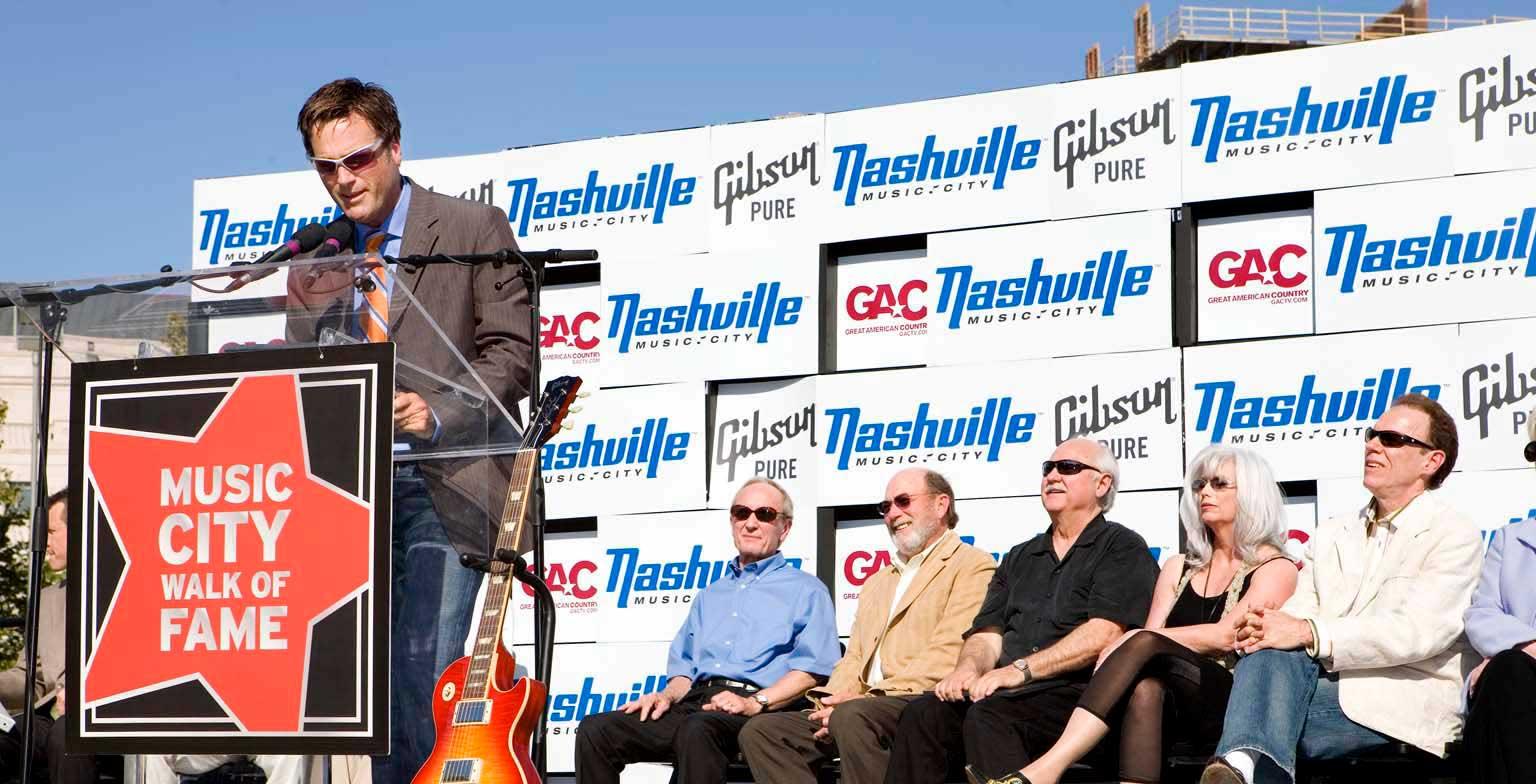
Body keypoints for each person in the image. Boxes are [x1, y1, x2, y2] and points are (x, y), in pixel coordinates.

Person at [286, 77, 532, 784]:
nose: (342, 179)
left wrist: (436, 410)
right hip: (350, 496)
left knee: (425, 670)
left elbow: (513, 354)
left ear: (395, 147)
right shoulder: (314, 259)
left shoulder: (468, 228)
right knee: (370, 692)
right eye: (326, 167)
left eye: (357, 159)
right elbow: (306, 378)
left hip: (445, 481)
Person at [967, 445, 1297, 784]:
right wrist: (1140, 640)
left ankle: (1049, 767)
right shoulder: (1178, 566)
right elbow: (1149, 642)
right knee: (1146, 685)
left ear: (1253, 493)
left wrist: (1136, 638)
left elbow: (1228, 635)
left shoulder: (1275, 566)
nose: (1205, 493)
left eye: (1219, 484)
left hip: (1229, 697)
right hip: (1169, 696)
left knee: (1141, 644)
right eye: (1199, 485)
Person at [1200, 393, 1482, 784]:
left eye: (1393, 440)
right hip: (1318, 681)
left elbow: (1418, 632)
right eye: (1372, 434)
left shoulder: (1453, 533)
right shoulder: (1332, 531)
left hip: (1404, 697)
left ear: (1431, 461)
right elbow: (1297, 614)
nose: (1372, 445)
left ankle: (1244, 762)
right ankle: (1250, 767)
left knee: (1247, 710)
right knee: (1270, 648)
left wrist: (1309, 632)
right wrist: (1273, 628)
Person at [884, 438, 1159, 784]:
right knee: (925, 714)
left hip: (1079, 697)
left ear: (1102, 484)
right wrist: (969, 669)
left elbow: (1105, 633)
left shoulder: (1121, 547)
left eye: (1069, 468)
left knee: (990, 715)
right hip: (1007, 691)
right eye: (1049, 468)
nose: (1053, 476)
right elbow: (987, 633)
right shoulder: (1019, 556)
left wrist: (1021, 670)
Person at [574, 478, 841, 784]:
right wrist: (665, 695)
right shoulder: (710, 595)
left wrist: (755, 702)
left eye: (764, 514)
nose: (751, 523)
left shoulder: (807, 590)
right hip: (697, 702)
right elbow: (684, 672)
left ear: (785, 528)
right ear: (732, 522)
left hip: (757, 710)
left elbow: (813, 670)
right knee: (596, 730)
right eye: (742, 513)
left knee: (699, 729)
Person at [739, 469, 996, 784]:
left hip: (921, 702)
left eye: (903, 501)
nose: (893, 514)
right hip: (860, 707)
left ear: (941, 505)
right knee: (764, 732)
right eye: (886, 507)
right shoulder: (877, 581)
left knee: (852, 718)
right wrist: (828, 702)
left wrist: (866, 699)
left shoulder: (972, 565)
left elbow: (948, 655)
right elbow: (855, 658)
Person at [0, 489, 106, 784]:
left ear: (81, 530)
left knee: (67, 735)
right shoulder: (45, 599)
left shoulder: (121, 591)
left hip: (97, 717)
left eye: (51, 531)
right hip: (47, 716)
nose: (44, 542)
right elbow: (30, 677)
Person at [1460, 404, 1536, 784]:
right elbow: (1481, 614)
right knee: (1507, 674)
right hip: (1521, 683)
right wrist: (1525, 646)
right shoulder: (1512, 537)